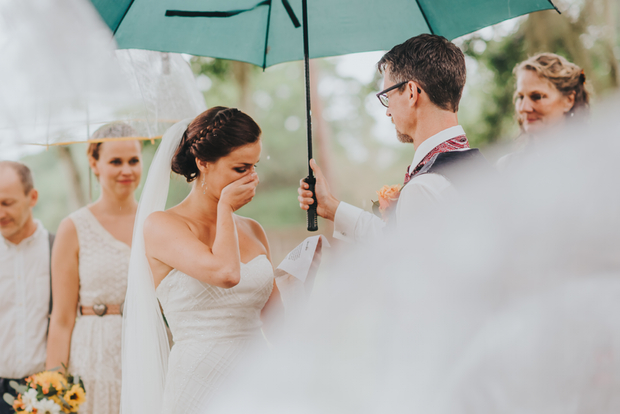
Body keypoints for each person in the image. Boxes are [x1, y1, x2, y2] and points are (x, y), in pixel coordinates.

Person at [121, 107, 281, 414]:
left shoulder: (253, 230)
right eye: (240, 168)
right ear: (203, 162)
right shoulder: (161, 225)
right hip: (199, 385)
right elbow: (225, 273)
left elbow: (277, 322)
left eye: (254, 167)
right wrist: (225, 209)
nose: (252, 178)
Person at [298, 34, 488, 242]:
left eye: (387, 96)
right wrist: (331, 207)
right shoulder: (483, 170)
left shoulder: (423, 189)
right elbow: (395, 239)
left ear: (411, 93)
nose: (388, 112)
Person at [46, 123, 142, 414]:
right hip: (92, 358)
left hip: (145, 349)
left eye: (133, 160)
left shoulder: (159, 221)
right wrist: (52, 389)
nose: (127, 170)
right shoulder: (73, 227)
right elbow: (62, 319)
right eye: (116, 162)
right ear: (94, 163)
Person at [0, 161, 52, 414]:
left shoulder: (58, 250)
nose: (0, 213)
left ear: (32, 197)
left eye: (6, 203)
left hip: (44, 389)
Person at [498, 53, 590, 169]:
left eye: (537, 97)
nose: (524, 108)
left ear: (568, 100)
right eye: (520, 97)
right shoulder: (507, 167)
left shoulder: (594, 160)